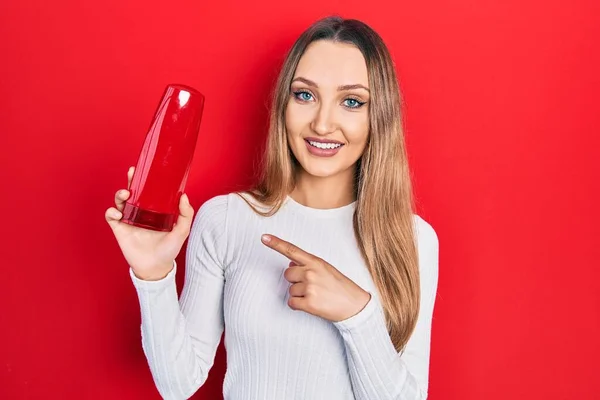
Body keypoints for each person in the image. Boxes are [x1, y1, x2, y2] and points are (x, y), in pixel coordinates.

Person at [105, 15, 439, 400]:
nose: (323, 123)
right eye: (305, 95)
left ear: (377, 116)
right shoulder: (225, 220)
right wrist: (153, 274)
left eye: (351, 101)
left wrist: (356, 313)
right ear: (284, 103)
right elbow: (177, 385)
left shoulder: (412, 240)